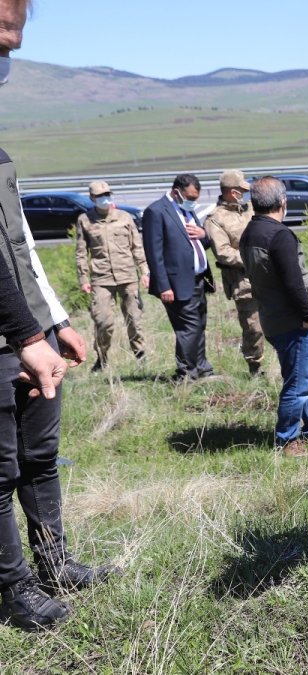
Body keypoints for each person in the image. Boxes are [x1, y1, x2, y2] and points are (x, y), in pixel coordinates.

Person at [0, 0, 115, 632]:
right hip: (5, 340)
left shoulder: (1, 156)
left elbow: (17, 245)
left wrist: (53, 321)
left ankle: (53, 563)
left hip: (28, 333)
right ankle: (13, 589)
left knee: (40, 456)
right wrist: (21, 334)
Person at [239, 177, 308, 457]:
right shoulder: (279, 235)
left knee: (304, 374)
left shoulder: (250, 233)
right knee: (298, 383)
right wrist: (307, 316)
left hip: (271, 317)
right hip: (292, 320)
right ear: (283, 202)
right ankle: (287, 439)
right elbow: (294, 283)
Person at [142, 174, 216, 381]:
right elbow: (153, 253)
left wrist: (204, 235)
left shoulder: (188, 210)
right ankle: (186, 373)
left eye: (196, 198)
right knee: (188, 328)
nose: (193, 201)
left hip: (199, 279)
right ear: (176, 192)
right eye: (190, 197)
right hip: (176, 283)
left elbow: (199, 242)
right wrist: (164, 286)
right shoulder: (156, 211)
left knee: (199, 324)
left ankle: (202, 367)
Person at [74, 180, 149, 371]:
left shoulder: (124, 217)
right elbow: (81, 253)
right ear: (92, 198)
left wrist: (144, 271)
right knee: (103, 322)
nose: (104, 199)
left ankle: (141, 357)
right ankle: (102, 359)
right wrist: (83, 279)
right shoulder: (85, 220)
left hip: (127, 276)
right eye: (100, 196)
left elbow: (137, 247)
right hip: (101, 279)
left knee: (134, 319)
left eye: (107, 194)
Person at [205, 169, 264, 375]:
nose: (244, 194)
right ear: (231, 192)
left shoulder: (250, 209)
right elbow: (223, 253)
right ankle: (255, 367)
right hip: (243, 281)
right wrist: (252, 258)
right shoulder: (215, 219)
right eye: (241, 190)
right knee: (253, 328)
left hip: (266, 275)